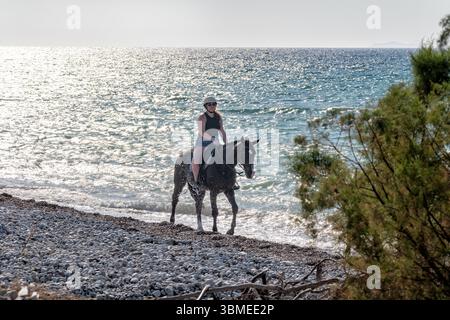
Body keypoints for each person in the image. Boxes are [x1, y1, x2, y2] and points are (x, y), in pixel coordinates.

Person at [189, 96, 229, 192]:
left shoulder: (218, 117)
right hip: (202, 142)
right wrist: (211, 139)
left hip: (215, 142)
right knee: (195, 163)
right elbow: (201, 132)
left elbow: (222, 131)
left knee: (228, 160)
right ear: (205, 106)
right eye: (209, 104)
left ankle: (230, 182)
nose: (212, 106)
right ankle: (196, 183)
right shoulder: (202, 117)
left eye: (214, 104)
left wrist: (225, 142)